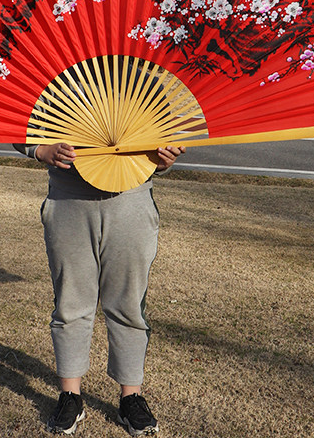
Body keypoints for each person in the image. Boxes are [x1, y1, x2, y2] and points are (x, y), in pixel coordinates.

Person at [14, 140, 185, 436]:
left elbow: (162, 140)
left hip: (132, 200)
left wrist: (162, 162)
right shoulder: (50, 91)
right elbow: (10, 117)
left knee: (128, 305)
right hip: (69, 199)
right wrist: (40, 151)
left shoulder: (146, 91)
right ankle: (71, 397)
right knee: (70, 304)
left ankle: (130, 398)